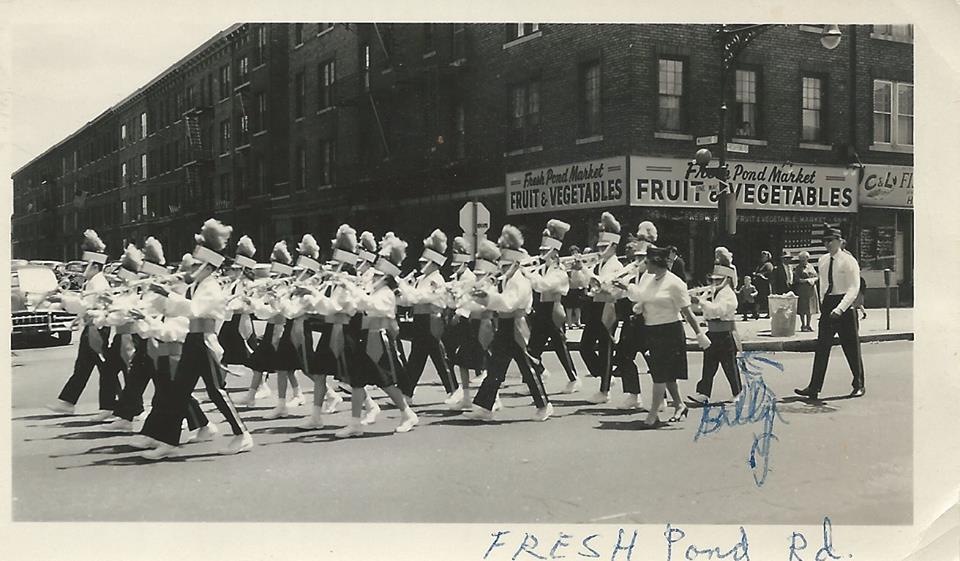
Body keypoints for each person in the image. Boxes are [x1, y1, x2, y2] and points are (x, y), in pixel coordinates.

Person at [139, 219, 254, 459]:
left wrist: (168, 293)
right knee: (178, 391)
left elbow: (194, 310)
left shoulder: (210, 286)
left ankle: (242, 434)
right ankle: (169, 441)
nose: (193, 268)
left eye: (198, 264)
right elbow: (175, 309)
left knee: (216, 391)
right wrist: (160, 297)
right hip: (194, 339)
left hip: (204, 340)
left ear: (209, 266)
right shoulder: (197, 286)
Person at [335, 233, 420, 437]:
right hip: (367, 338)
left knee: (386, 382)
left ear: (385, 277)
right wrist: (347, 291)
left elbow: (369, 305)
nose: (372, 277)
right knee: (357, 380)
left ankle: (408, 414)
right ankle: (355, 423)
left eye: (377, 275)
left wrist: (351, 287)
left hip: (378, 340)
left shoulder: (386, 294)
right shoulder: (375, 290)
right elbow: (358, 305)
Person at [464, 228, 552, 422]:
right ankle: (485, 407)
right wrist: (478, 295)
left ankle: (544, 405)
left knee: (527, 368)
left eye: (505, 265)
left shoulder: (519, 280)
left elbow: (508, 303)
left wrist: (487, 297)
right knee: (496, 366)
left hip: (517, 325)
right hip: (505, 324)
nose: (502, 269)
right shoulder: (506, 280)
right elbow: (495, 300)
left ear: (514, 263)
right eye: (501, 265)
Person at [627, 246, 710, 426]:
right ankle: (680, 405)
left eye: (647, 261)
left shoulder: (675, 283)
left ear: (657, 263)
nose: (644, 264)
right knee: (667, 375)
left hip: (670, 331)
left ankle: (653, 414)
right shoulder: (649, 279)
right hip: (651, 330)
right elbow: (642, 297)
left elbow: (687, 312)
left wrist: (699, 334)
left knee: (659, 374)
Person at [47, 229, 125, 419]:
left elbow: (85, 305)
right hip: (94, 328)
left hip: (96, 329)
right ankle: (70, 402)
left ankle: (116, 405)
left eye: (87, 265)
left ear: (95, 266)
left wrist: (63, 299)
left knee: (99, 368)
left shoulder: (96, 283)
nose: (84, 269)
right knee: (89, 367)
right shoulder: (94, 281)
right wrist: (64, 298)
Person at [794, 226, 866, 400]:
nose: (827, 244)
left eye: (830, 241)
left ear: (839, 241)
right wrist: (823, 304)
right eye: (824, 241)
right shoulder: (823, 260)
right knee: (822, 348)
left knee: (851, 347)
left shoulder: (849, 261)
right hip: (829, 304)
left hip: (845, 306)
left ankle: (858, 384)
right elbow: (824, 284)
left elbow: (854, 288)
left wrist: (840, 308)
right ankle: (814, 387)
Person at [398, 229, 460, 404]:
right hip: (420, 320)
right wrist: (400, 291)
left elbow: (421, 297)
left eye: (424, 262)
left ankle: (454, 390)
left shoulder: (436, 280)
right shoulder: (421, 279)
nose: (420, 264)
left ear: (434, 263)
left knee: (439, 357)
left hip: (432, 320)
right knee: (416, 358)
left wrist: (403, 286)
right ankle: (407, 393)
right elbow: (408, 300)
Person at [525, 218, 580, 394]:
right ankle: (538, 375)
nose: (542, 254)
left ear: (555, 253)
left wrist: (526, 274)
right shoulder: (542, 269)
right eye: (542, 250)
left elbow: (544, 285)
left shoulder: (559, 270)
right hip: (542, 309)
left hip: (554, 308)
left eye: (546, 251)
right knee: (532, 348)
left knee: (560, 347)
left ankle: (574, 378)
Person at [579, 212, 625, 404]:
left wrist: (585, 270)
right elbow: (586, 283)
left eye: (603, 247)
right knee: (584, 347)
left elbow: (605, 284)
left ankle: (604, 391)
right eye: (598, 246)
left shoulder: (617, 265)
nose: (599, 250)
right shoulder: (599, 264)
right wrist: (580, 270)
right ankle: (605, 376)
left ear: (613, 246)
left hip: (608, 307)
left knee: (606, 348)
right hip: (596, 306)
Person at [687, 264, 742, 405]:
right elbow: (704, 310)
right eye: (713, 280)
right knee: (708, 365)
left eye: (718, 280)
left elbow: (719, 310)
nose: (714, 282)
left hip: (724, 334)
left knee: (729, 366)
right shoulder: (713, 293)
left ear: (727, 279)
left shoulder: (728, 294)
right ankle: (704, 393)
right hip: (712, 332)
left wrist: (701, 301)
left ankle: (737, 392)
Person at [792, 251, 820, 332]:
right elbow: (796, 279)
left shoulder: (811, 266)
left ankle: (808, 324)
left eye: (805, 259)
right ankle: (803, 325)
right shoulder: (798, 268)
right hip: (802, 290)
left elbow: (816, 276)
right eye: (802, 259)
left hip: (811, 289)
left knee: (810, 308)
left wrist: (813, 280)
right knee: (802, 308)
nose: (803, 260)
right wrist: (805, 280)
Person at [563, 245, 588, 329]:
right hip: (570, 286)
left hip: (578, 286)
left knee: (578, 306)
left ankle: (578, 322)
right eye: (573, 252)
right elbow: (567, 272)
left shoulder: (580, 261)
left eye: (576, 252)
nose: (575, 254)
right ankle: (569, 323)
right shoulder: (567, 261)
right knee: (569, 306)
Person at [753, 251, 774, 317]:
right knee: (758, 298)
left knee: (766, 298)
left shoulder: (768, 265)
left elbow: (769, 273)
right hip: (759, 284)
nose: (762, 257)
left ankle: (769, 313)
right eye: (762, 256)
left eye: (764, 256)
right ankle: (756, 312)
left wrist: (762, 275)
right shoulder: (760, 265)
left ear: (767, 257)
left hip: (765, 284)